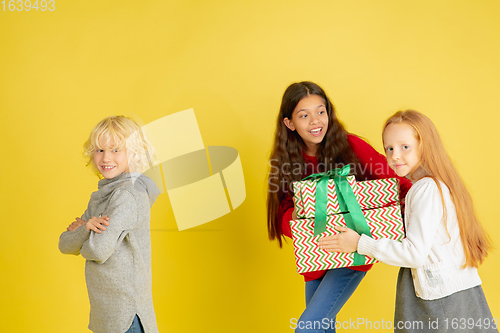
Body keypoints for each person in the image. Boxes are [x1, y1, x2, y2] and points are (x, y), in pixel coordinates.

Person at [322, 110, 497, 332]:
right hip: (454, 290)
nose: (395, 155)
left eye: (405, 147)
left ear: (425, 146)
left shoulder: (426, 189)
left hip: (438, 298)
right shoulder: (436, 185)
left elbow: (414, 253)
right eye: (389, 148)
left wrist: (360, 243)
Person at [267, 81, 412, 332]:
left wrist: (425, 204)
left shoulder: (351, 146)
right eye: (304, 115)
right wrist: (302, 212)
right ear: (289, 123)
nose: (315, 121)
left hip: (354, 252)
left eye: (320, 111)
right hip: (317, 256)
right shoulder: (287, 161)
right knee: (322, 328)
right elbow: (282, 214)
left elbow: (396, 182)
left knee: (308, 327)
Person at [59, 116, 160, 333]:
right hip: (104, 313)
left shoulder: (128, 194)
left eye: (116, 150)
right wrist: (87, 229)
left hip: (126, 315)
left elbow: (98, 249)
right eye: (99, 150)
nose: (106, 157)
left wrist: (83, 234)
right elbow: (65, 245)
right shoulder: (102, 195)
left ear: (133, 153)